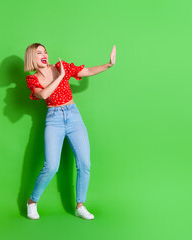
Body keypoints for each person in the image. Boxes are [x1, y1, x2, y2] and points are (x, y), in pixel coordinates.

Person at [23, 43, 116, 220]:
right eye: (38, 53)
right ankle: (32, 202)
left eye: (45, 51)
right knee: (51, 166)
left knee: (84, 164)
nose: (44, 54)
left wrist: (108, 64)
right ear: (31, 58)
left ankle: (80, 206)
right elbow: (43, 95)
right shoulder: (33, 79)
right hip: (54, 119)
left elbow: (86, 71)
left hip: (74, 116)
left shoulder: (60, 66)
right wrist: (61, 78)